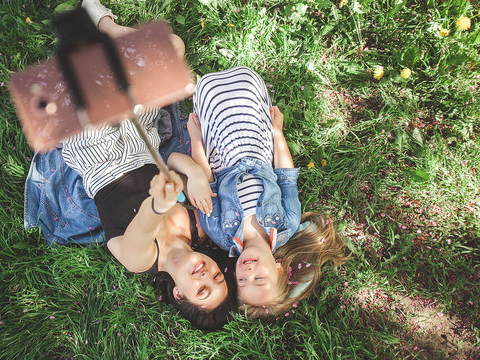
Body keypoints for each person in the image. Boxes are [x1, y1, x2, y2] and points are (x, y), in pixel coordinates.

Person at [58, 0, 237, 330]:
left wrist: (159, 205)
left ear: (181, 295)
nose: (206, 273)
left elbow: (145, 222)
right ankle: (108, 29)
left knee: (97, 83)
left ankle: (99, 43)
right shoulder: (198, 224)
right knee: (173, 47)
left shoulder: (141, 260)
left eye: (202, 288)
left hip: (98, 153)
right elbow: (171, 159)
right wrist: (195, 173)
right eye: (217, 276)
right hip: (144, 143)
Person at [168, 66, 347, 318]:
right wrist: (278, 134)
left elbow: (207, 182)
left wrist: (196, 139)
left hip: (220, 148)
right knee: (247, 82)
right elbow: (286, 178)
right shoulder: (287, 223)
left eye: (242, 282)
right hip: (258, 142)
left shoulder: (220, 233)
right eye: (259, 278)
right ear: (280, 269)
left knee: (208, 89)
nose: (248, 272)